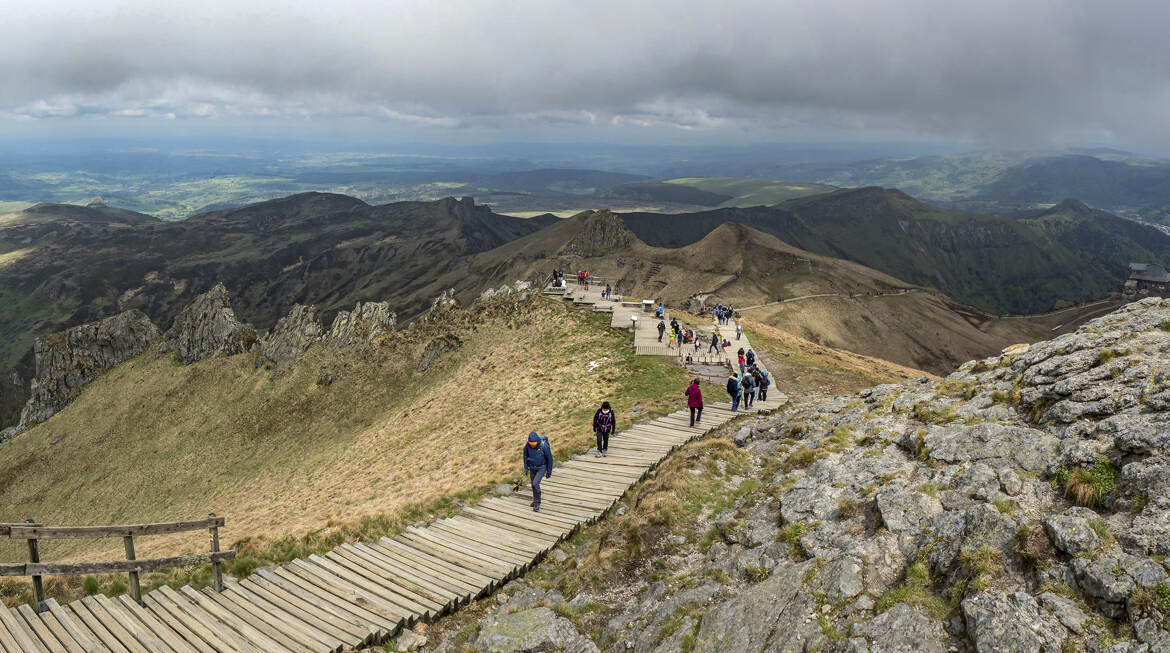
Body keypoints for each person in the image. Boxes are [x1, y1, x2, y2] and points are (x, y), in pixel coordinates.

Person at [522, 431, 553, 512]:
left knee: (535, 483)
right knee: (533, 485)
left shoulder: (544, 446)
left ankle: (537, 503)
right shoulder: (527, 445)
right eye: (530, 442)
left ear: (537, 441)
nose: (532, 444)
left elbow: (550, 459)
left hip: (541, 467)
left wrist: (549, 471)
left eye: (534, 442)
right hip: (532, 467)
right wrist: (526, 468)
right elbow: (525, 455)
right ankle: (535, 500)